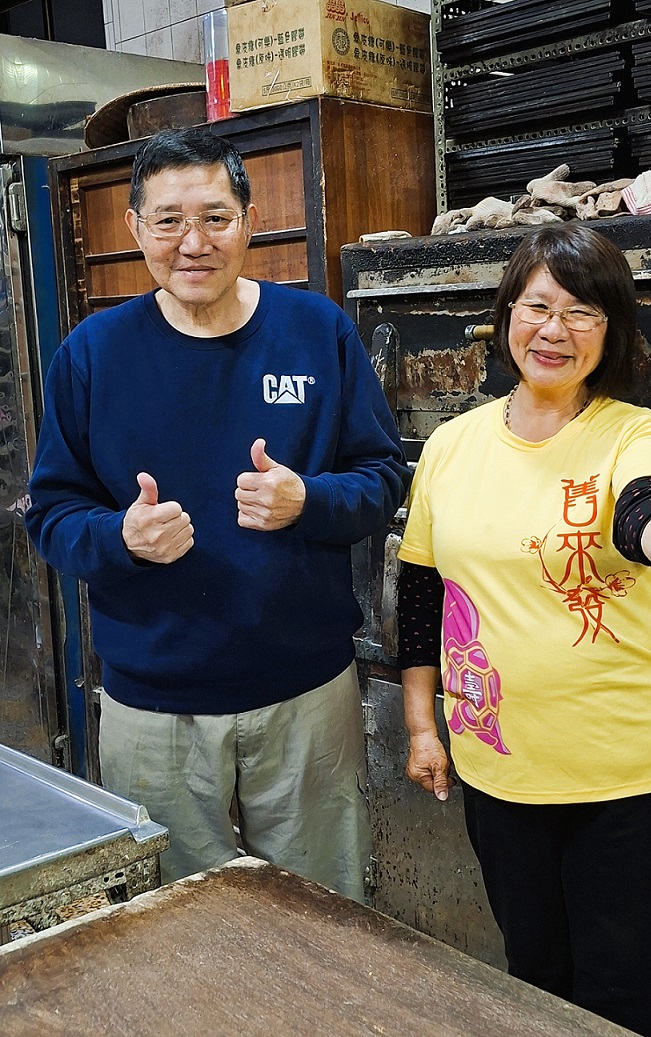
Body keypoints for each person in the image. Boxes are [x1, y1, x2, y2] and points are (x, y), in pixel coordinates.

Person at [25, 127, 410, 900]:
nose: (192, 242)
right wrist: (119, 535)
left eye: (215, 216)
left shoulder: (316, 331)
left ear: (250, 218)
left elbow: (382, 478)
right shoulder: (93, 353)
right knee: (177, 927)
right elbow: (52, 512)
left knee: (323, 915)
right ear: (135, 228)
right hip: (154, 706)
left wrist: (310, 499)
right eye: (167, 221)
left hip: (306, 694)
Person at [396, 223, 651, 1037]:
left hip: (626, 771)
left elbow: (645, 506)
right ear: (506, 314)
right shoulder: (451, 444)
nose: (554, 329)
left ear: (609, 331)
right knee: (534, 978)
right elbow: (420, 590)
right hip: (498, 766)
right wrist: (420, 726)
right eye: (537, 306)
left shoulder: (631, 430)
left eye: (582, 312)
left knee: (618, 995)